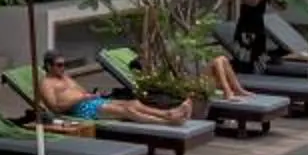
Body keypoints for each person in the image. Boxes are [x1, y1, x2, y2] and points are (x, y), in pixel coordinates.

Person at [36, 53, 193, 126]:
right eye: (59, 65)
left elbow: (81, 92)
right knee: (127, 111)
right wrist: (81, 98)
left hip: (91, 102)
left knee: (134, 103)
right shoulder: (46, 84)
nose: (63, 68)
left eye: (64, 64)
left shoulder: (65, 77)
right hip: (80, 110)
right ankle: (167, 122)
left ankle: (169, 112)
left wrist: (91, 95)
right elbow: (55, 107)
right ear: (49, 66)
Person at [234, 0, 275, 65]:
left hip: (259, 27)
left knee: (259, 51)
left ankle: (257, 64)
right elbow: (253, 3)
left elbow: (278, 6)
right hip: (245, 28)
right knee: (245, 51)